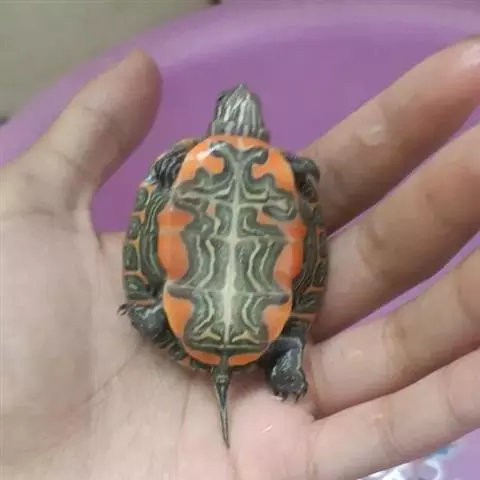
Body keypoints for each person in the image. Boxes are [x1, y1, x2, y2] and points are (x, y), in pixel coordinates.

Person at [0, 38, 479, 480]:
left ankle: (175, 320)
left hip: (182, 314)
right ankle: (281, 355)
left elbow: (161, 187)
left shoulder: (186, 162)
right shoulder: (282, 169)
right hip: (254, 325)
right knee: (286, 315)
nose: (244, 100)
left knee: (216, 290)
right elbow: (304, 222)